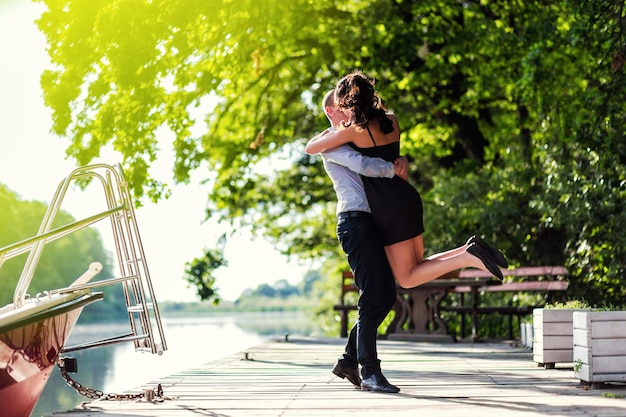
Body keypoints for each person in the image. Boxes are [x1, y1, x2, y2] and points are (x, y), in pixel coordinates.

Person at [305, 71, 507, 291]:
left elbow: (311, 148)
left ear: (347, 102)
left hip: (387, 205)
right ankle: (468, 249)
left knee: (408, 278)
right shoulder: (392, 120)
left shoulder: (352, 131)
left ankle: (467, 257)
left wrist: (332, 127)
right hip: (406, 195)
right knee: (419, 265)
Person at [312, 89, 407, 393]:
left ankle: (349, 361)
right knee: (371, 295)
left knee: (387, 294)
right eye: (344, 109)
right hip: (354, 222)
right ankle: (370, 371)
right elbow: (364, 165)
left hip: (370, 222)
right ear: (331, 112)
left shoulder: (353, 134)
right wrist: (394, 169)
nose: (351, 114)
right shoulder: (331, 142)